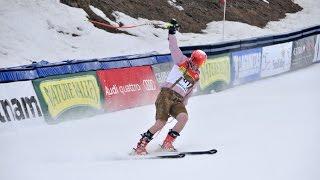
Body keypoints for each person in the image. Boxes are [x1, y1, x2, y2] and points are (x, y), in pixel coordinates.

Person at [133, 19, 208, 155]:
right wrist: (171, 32)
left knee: (183, 117)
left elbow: (189, 92)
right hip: (166, 95)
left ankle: (168, 142)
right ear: (192, 58)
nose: (196, 64)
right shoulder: (182, 61)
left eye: (199, 63)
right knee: (161, 122)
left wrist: (184, 103)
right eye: (195, 60)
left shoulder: (196, 75)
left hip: (178, 100)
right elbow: (173, 47)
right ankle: (141, 145)